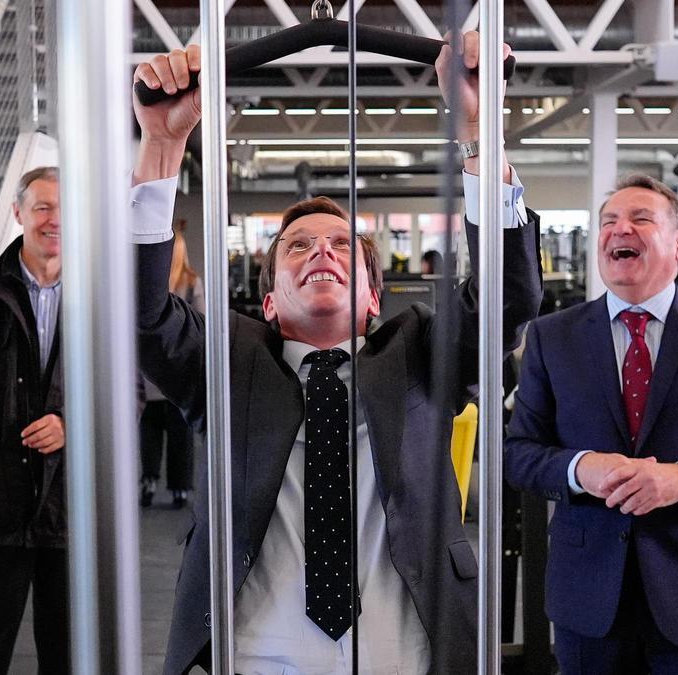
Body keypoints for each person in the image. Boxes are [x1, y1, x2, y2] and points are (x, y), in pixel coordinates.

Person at [130, 32, 542, 675]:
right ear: (269, 303)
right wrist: (161, 146)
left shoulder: (419, 353)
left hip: (408, 655)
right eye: (297, 246)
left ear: (375, 298)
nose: (322, 250)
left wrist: (476, 130)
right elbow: (140, 314)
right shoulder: (227, 365)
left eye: (343, 244)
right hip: (255, 656)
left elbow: (508, 297)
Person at [504, 174, 678, 674]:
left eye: (641, 219)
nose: (620, 229)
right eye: (609, 221)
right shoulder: (552, 337)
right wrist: (580, 468)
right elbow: (518, 454)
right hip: (587, 598)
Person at [0, 166, 69, 674]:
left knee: (69, 652)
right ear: (18, 213)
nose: (55, 219)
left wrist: (71, 425)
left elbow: (129, 386)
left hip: (69, 503)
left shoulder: (101, 292)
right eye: (43, 207)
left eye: (64, 208)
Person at [140, 226, 204, 508]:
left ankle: (151, 480)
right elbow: (201, 322)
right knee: (178, 434)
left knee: (152, 431)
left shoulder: (146, 284)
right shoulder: (191, 282)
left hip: (152, 371)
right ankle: (178, 487)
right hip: (179, 371)